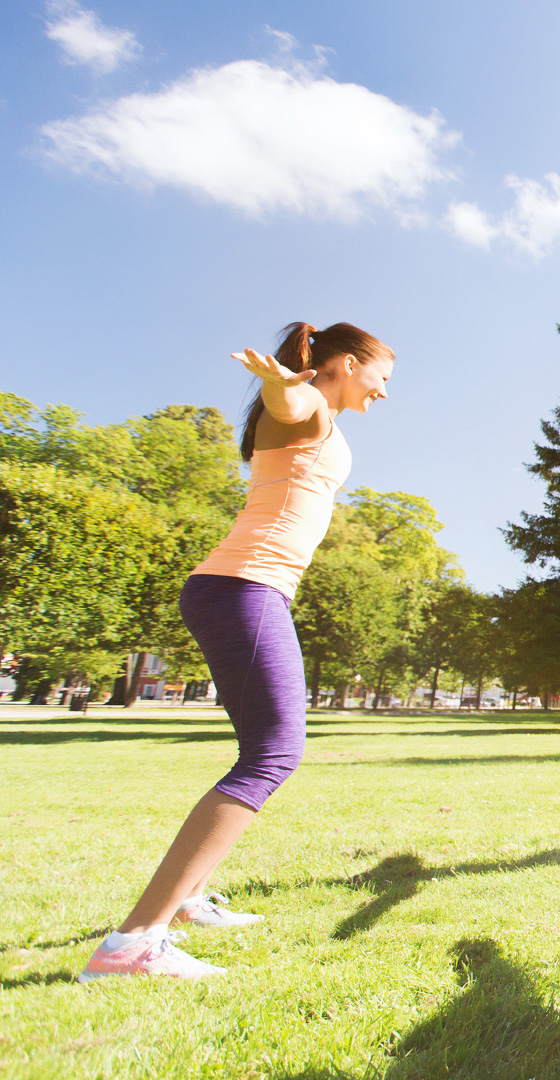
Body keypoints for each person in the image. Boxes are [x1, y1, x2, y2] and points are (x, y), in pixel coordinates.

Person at [81, 323, 394, 982]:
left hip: (242, 591)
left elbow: (299, 407)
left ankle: (186, 902)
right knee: (272, 754)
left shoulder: (319, 419)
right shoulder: (304, 412)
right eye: (381, 377)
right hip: (244, 590)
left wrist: (288, 392)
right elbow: (294, 405)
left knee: (261, 750)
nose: (385, 393)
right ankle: (133, 944)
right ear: (345, 364)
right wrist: (283, 389)